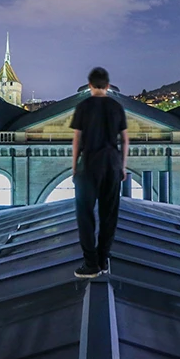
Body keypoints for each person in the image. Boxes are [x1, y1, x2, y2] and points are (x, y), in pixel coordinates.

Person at [71, 67, 129, 278]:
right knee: (109, 215)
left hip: (89, 165)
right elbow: (124, 139)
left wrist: (75, 167)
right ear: (107, 85)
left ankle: (90, 264)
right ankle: (103, 260)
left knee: (85, 215)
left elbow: (77, 139)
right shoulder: (117, 107)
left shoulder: (83, 107)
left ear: (89, 85)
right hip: (112, 165)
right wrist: (122, 166)